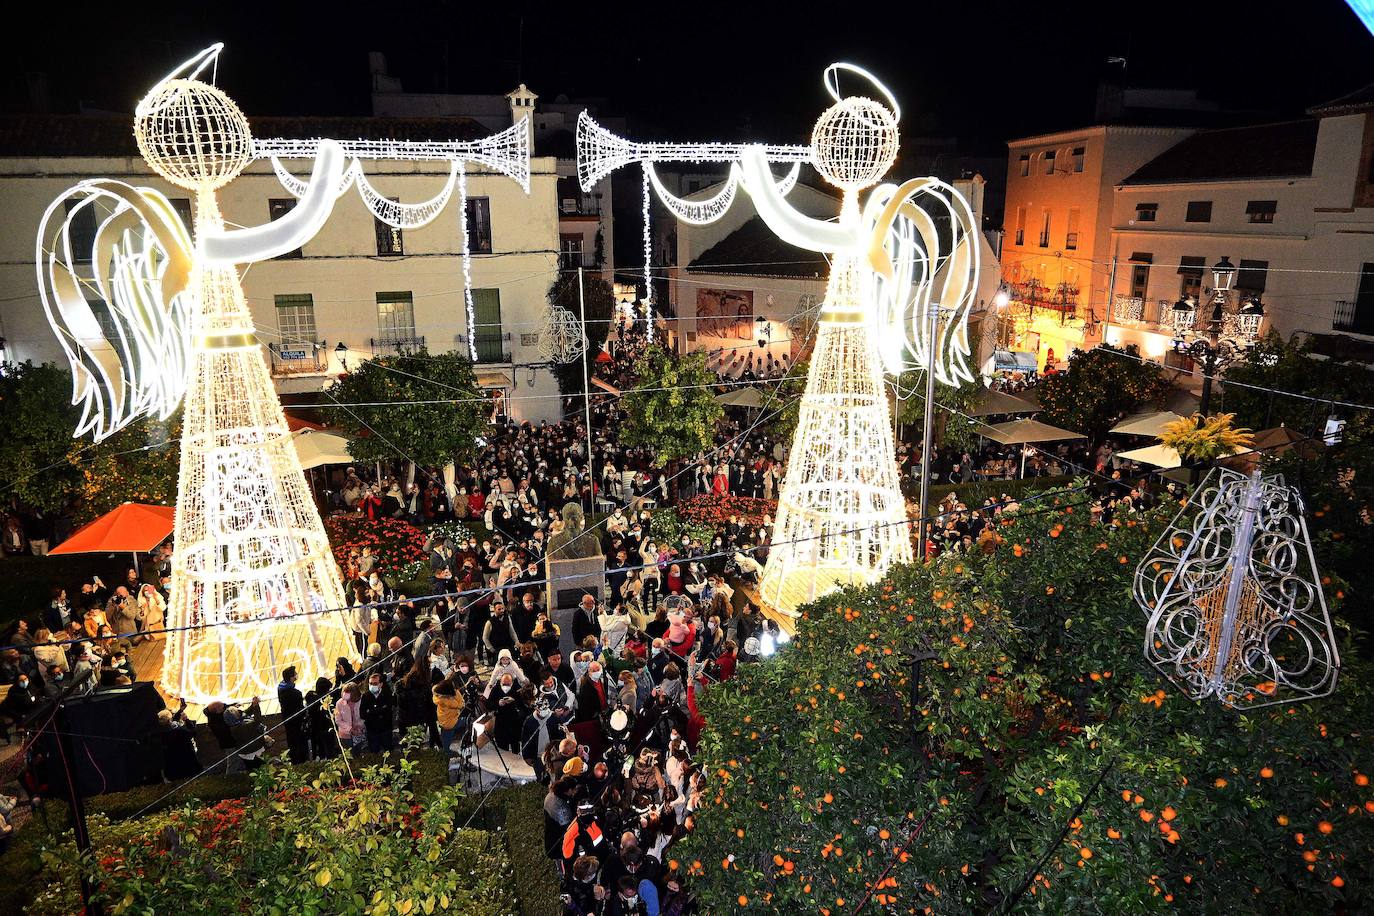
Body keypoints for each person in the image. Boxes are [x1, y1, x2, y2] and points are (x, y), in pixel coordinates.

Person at [275, 666, 310, 764]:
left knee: (292, 742)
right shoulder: (296, 693)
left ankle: (294, 760)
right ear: (291, 677)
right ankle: (302, 761)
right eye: (295, 674)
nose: (296, 675)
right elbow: (300, 710)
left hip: (287, 721)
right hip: (297, 723)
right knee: (300, 742)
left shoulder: (280, 688)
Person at [360, 673, 395, 753]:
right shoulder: (366, 696)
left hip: (385, 729)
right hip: (372, 731)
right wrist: (379, 710)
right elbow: (362, 714)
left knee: (388, 751)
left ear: (381, 684)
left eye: (375, 683)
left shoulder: (387, 694)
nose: (372, 686)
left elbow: (388, 710)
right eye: (370, 683)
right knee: (374, 752)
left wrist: (371, 711)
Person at [305, 676, 337, 759]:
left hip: (315, 730)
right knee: (329, 750)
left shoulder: (312, 699)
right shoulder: (325, 701)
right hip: (326, 729)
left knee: (321, 751)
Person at [433, 676, 464, 755]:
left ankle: (445, 749)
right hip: (451, 722)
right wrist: (456, 692)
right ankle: (447, 752)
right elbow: (461, 705)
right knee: (467, 721)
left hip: (443, 719)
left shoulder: (437, 694)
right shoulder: (448, 701)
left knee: (446, 735)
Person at [335, 682, 365, 752]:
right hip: (345, 735)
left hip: (359, 732)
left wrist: (359, 726)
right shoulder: (339, 703)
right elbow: (338, 720)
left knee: (359, 753)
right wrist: (350, 729)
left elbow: (364, 716)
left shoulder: (361, 701)